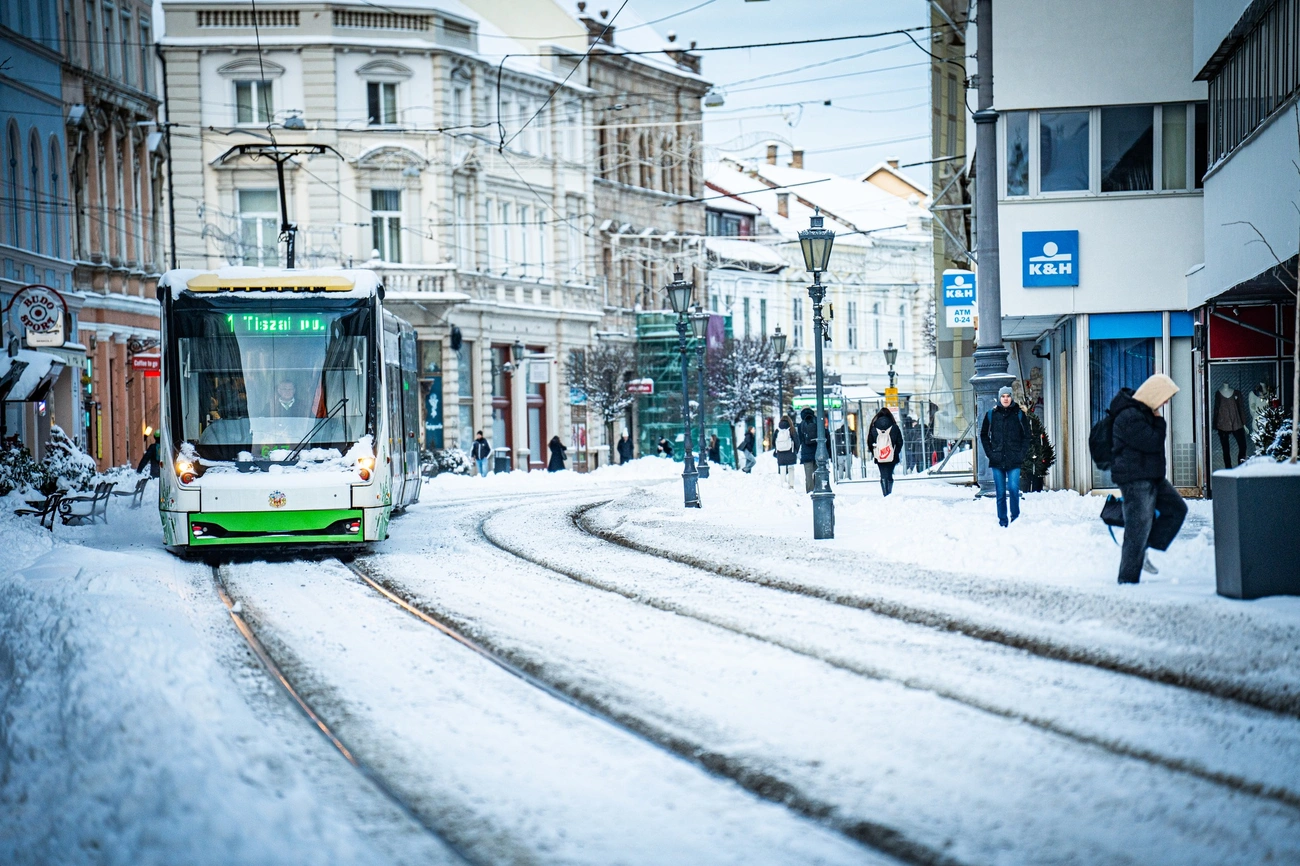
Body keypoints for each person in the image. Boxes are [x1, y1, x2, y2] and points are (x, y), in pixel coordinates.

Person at [1110, 374, 1188, 584]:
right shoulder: (1129, 416)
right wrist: (1158, 420)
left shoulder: (1142, 413)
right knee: (1137, 528)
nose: (1165, 403)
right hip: (1135, 479)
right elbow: (1152, 442)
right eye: (1165, 398)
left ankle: (1144, 548)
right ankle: (1127, 580)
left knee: (1177, 509)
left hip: (1151, 476)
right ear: (1154, 395)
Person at [980, 386, 1031, 527]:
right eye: (1003, 396)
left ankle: (1015, 519)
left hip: (1014, 459)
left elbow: (1027, 436)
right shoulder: (991, 414)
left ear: (1011, 397)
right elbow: (984, 435)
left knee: (1014, 490)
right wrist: (990, 453)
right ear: (999, 398)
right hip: (997, 459)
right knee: (1001, 492)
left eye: (1008, 396)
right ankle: (1003, 522)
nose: (1006, 399)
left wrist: (1021, 454)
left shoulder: (1019, 414)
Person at [866, 407, 903, 497]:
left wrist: (875, 452)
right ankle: (888, 492)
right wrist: (895, 452)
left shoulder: (874, 427)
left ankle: (885, 493)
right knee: (889, 474)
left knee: (883, 474)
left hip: (879, 456)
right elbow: (900, 442)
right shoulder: (894, 427)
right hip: (892, 455)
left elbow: (870, 442)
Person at [796, 407, 819, 493]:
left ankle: (810, 491)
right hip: (818, 450)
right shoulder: (817, 421)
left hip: (806, 452)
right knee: (818, 472)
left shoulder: (801, 424)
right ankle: (818, 489)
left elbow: (800, 439)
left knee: (808, 475)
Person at [774, 416, 798, 487]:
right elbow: (797, 440)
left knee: (782, 468)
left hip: (780, 452)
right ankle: (791, 485)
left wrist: (777, 449)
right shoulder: (791, 429)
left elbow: (773, 441)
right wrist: (796, 450)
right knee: (791, 468)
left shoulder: (777, 430)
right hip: (790, 451)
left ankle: (783, 484)